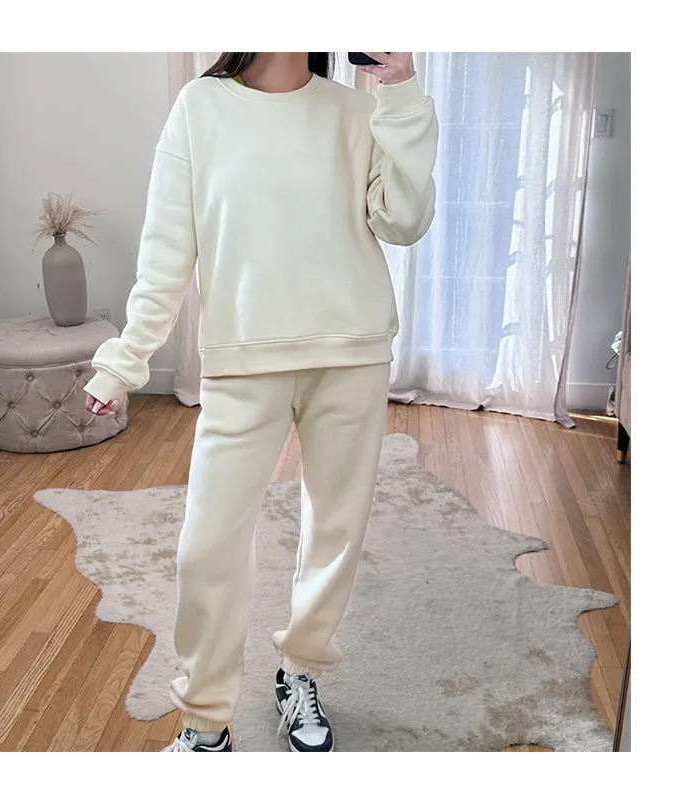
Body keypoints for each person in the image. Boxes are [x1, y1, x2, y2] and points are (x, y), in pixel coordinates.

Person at [83, 52, 439, 752]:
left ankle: (300, 672)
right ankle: (205, 723)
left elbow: (405, 221)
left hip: (351, 351)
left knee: (336, 532)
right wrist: (125, 359)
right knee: (207, 546)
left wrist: (400, 93)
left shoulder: (357, 109)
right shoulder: (201, 107)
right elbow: (167, 248)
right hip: (243, 359)